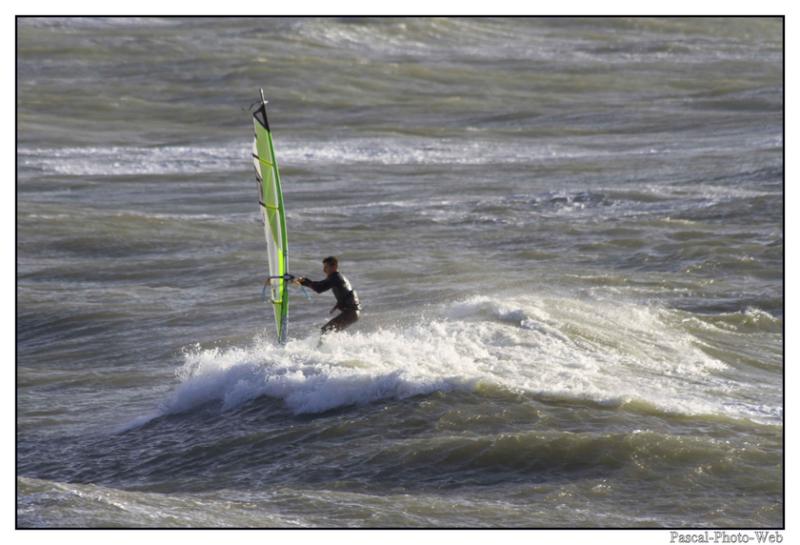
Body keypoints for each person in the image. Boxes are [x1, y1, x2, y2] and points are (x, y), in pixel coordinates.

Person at [294, 256, 361, 333]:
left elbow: (319, 288)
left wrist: (305, 281)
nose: (324, 270)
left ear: (334, 267)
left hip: (351, 313)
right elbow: (345, 293)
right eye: (324, 267)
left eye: (326, 267)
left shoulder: (336, 278)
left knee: (325, 331)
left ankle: (323, 345)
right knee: (329, 332)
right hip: (352, 313)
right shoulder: (337, 277)